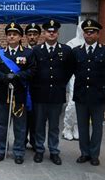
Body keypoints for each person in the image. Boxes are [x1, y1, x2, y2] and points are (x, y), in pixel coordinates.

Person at [0, 22, 36, 164]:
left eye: (14, 34)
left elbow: (33, 70)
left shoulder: (28, 53)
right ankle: (1, 149)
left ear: (20, 36)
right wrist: (4, 77)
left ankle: (18, 152)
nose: (11, 36)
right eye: (9, 34)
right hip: (3, 94)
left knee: (20, 126)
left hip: (20, 95)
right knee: (2, 124)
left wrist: (17, 76)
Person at [73, 19, 105, 166]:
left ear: (98, 34)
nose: (89, 35)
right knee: (82, 126)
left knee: (97, 127)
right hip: (81, 96)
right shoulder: (76, 51)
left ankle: (94, 154)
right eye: (86, 32)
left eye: (92, 32)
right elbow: (73, 70)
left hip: (98, 96)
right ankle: (84, 153)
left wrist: (101, 87)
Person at [31, 20, 73, 165]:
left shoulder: (66, 50)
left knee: (54, 126)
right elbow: (33, 70)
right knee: (39, 125)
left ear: (57, 33)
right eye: (48, 31)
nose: (51, 33)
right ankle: (39, 150)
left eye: (54, 31)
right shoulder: (36, 50)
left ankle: (54, 151)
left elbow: (69, 70)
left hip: (57, 94)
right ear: (44, 33)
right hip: (40, 94)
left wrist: (61, 83)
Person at [62, 21, 84, 141]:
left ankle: (76, 126)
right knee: (72, 103)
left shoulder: (92, 44)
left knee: (82, 104)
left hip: (85, 77)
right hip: (73, 76)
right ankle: (67, 127)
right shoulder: (71, 43)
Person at [24, 22, 41, 150]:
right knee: (23, 118)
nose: (32, 37)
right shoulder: (21, 51)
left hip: (37, 89)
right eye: (29, 34)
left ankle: (35, 142)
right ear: (26, 37)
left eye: (35, 34)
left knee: (36, 118)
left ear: (39, 36)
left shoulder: (41, 51)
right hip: (23, 89)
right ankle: (22, 140)